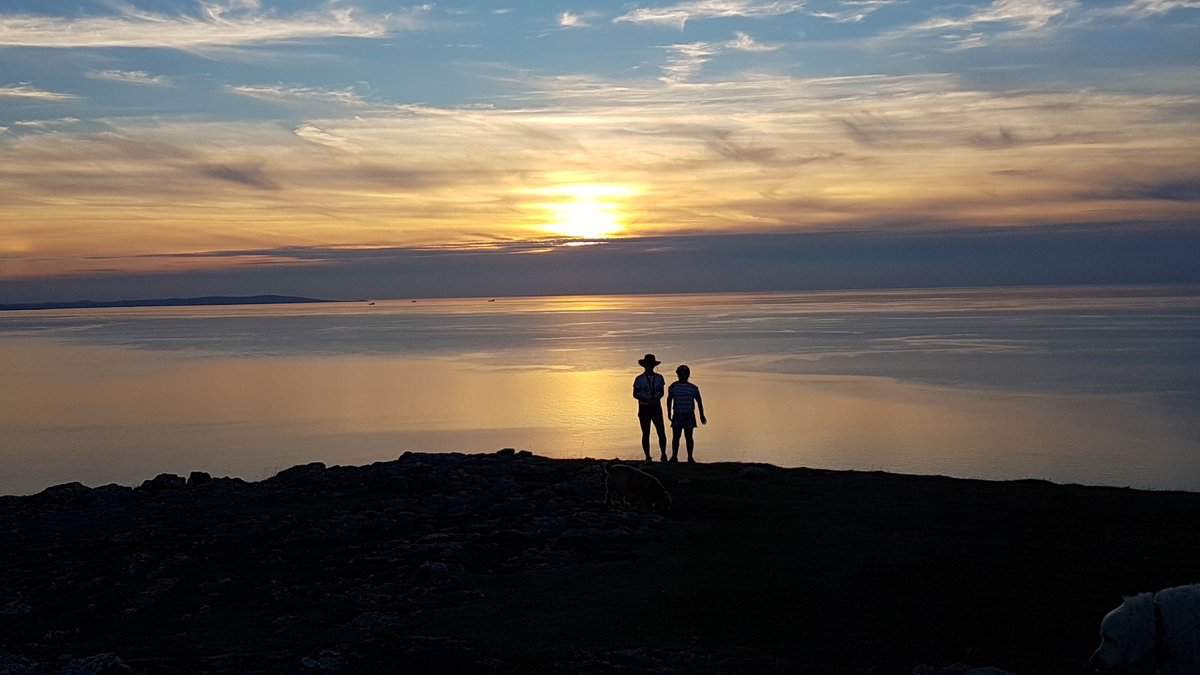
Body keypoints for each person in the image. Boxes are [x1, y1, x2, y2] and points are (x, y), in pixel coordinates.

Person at [667, 364, 706, 463]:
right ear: (678, 374)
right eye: (680, 373)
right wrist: (668, 412)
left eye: (684, 373)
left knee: (689, 437)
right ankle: (674, 457)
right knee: (676, 437)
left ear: (688, 374)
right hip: (677, 414)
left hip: (689, 415)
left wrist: (702, 415)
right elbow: (669, 399)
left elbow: (699, 401)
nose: (682, 375)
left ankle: (690, 457)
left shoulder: (693, 388)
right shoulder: (673, 387)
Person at [632, 353, 667, 463]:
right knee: (646, 433)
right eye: (647, 364)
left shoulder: (660, 378)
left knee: (661, 432)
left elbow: (662, 392)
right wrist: (647, 400)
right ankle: (647, 456)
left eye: (651, 364)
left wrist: (656, 398)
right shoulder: (639, 379)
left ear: (653, 365)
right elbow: (635, 394)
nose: (649, 366)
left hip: (656, 407)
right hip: (644, 408)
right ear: (644, 365)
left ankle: (663, 454)